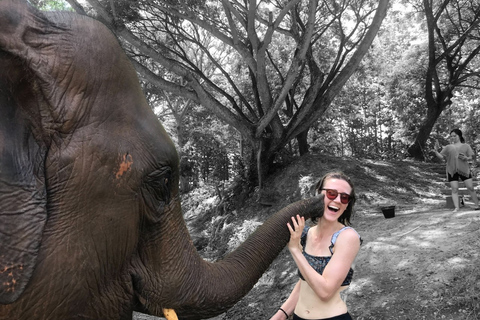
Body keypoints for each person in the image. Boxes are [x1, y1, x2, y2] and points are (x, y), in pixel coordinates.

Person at [270, 171, 362, 320]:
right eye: (331, 193)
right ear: (318, 194)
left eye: (344, 197)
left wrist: (294, 249)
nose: (338, 200)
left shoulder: (347, 237)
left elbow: (325, 292)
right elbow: (306, 282)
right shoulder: (307, 234)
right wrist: (281, 315)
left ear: (347, 204)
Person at [434, 128, 480, 212]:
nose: (452, 137)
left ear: (459, 136)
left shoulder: (466, 146)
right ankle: (457, 207)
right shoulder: (448, 147)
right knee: (454, 189)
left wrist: (466, 158)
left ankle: (477, 205)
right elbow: (441, 156)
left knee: (470, 187)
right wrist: (436, 151)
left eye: (454, 136)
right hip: (451, 170)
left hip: (464, 169)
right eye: (451, 136)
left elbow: (471, 157)